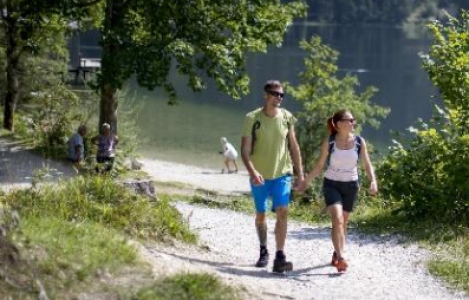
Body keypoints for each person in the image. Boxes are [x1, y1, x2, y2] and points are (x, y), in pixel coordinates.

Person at [296, 110, 378, 272]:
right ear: (339, 124)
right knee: (337, 219)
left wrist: (373, 180)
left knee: (343, 222)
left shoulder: (360, 142)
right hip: (331, 184)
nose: (353, 123)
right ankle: (341, 258)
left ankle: (336, 252)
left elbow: (367, 164)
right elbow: (320, 166)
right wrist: (306, 182)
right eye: (349, 120)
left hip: (351, 186)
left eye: (353, 120)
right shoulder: (330, 141)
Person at [241, 80, 304, 273]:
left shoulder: (287, 117)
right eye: (275, 94)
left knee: (283, 211)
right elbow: (244, 150)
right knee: (261, 215)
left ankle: (280, 256)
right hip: (259, 175)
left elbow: (294, 146)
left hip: (282, 174)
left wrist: (300, 173)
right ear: (265, 95)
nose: (279, 97)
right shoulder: (252, 118)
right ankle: (263, 250)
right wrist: (253, 172)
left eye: (282, 95)